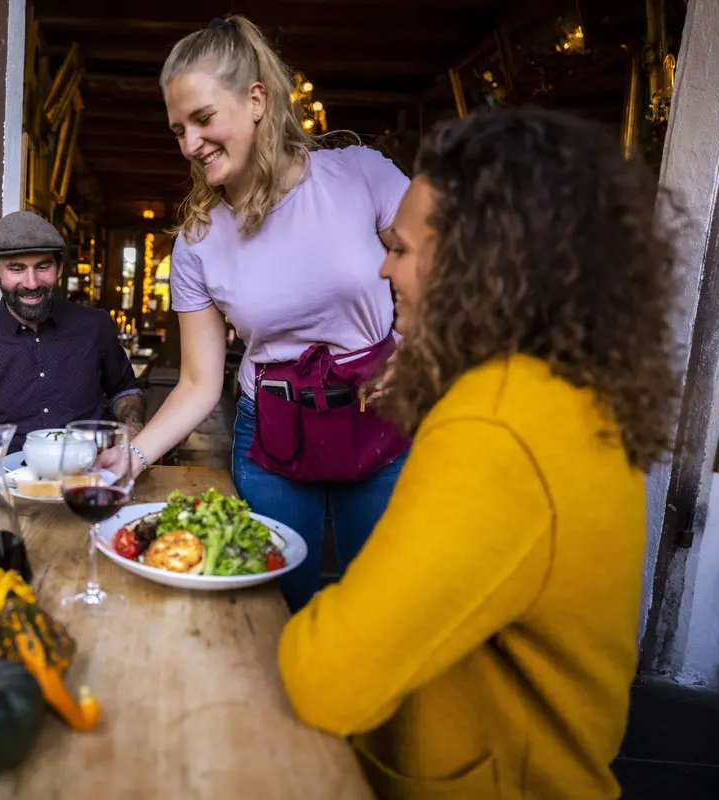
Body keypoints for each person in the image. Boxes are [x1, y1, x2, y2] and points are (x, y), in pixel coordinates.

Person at [278, 107, 679, 798]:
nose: (383, 266)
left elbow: (325, 679)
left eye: (400, 248)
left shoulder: (499, 421)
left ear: (474, 265)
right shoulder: (559, 386)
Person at [108, 15, 410, 612]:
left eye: (202, 119)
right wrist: (134, 455)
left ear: (255, 101)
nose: (190, 145)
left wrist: (421, 350)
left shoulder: (361, 175)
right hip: (272, 435)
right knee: (274, 609)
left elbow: (445, 269)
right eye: (178, 130)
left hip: (382, 416)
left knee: (383, 605)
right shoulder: (195, 242)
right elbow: (199, 383)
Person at [0, 211, 145, 465]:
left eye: (43, 267)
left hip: (88, 474)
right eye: (16, 269)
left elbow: (126, 390)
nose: (32, 283)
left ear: (60, 268)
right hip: (1, 481)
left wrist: (132, 426)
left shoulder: (95, 326)